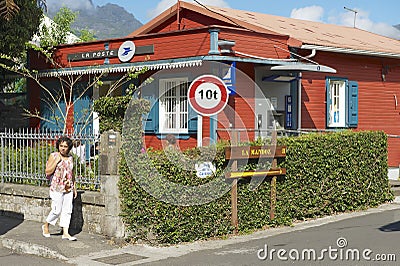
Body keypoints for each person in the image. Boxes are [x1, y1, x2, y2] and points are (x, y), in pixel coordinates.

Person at [42, 136, 78, 241]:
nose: (62, 148)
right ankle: (46, 225)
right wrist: (56, 161)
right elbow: (48, 172)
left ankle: (65, 232)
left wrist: (74, 187)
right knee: (56, 210)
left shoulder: (70, 158)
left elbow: (72, 173)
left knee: (67, 210)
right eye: (61, 146)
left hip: (68, 188)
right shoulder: (54, 156)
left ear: (69, 148)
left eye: (65, 146)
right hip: (56, 187)